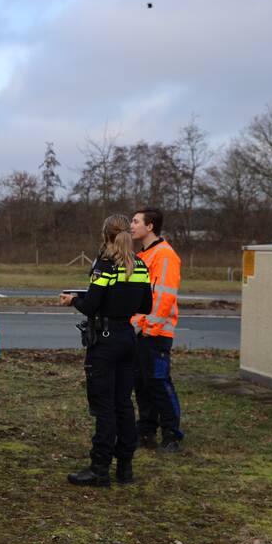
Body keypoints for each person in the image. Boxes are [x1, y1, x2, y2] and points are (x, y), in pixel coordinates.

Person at [59, 214, 152, 487]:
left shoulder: (105, 266)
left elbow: (91, 306)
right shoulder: (141, 265)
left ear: (105, 236)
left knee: (104, 407)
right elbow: (145, 306)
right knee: (124, 404)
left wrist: (74, 299)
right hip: (127, 337)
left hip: (105, 341)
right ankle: (125, 467)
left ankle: (99, 469)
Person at [130, 208, 185, 452]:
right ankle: (146, 430)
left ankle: (172, 434)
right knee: (142, 384)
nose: (131, 225)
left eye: (135, 221)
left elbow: (163, 296)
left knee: (159, 382)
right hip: (140, 331)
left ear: (150, 226)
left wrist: (149, 327)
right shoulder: (144, 255)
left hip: (155, 333)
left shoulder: (164, 255)